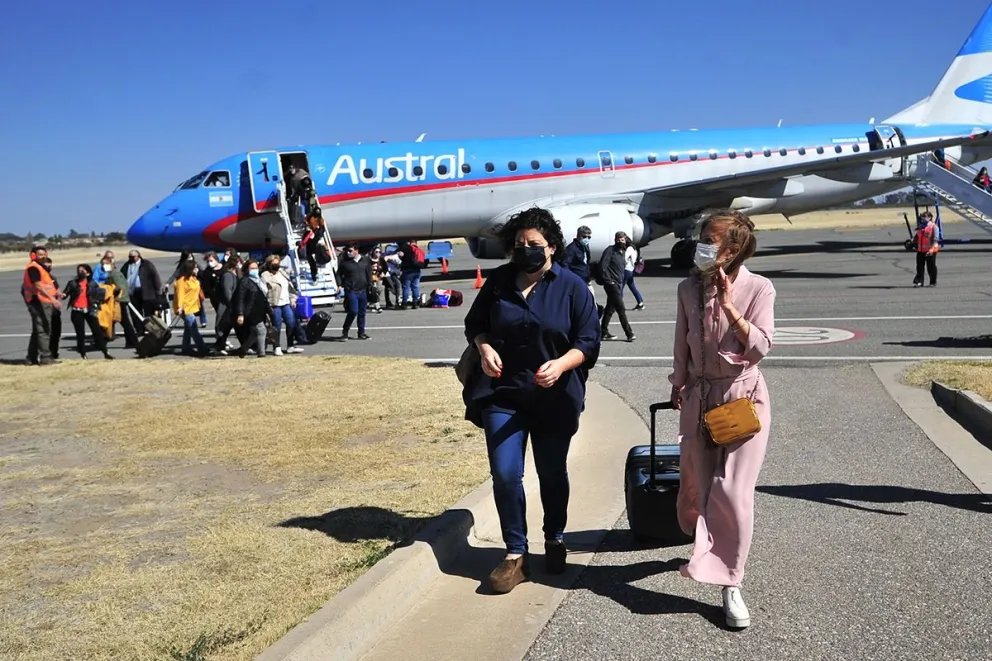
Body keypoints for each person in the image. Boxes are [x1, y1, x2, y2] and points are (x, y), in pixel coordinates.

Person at [462, 206, 601, 595]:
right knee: (506, 473)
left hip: (554, 396)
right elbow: (476, 324)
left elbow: (588, 341)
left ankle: (554, 537)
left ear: (552, 246)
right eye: (520, 244)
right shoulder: (498, 281)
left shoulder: (572, 286)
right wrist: (484, 348)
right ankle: (515, 554)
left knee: (552, 473)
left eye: (534, 243)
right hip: (503, 394)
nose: (526, 250)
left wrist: (561, 364)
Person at [668, 209, 775, 630]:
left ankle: (732, 581)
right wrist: (678, 384)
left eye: (709, 240)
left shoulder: (759, 288)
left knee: (732, 490)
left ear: (731, 250)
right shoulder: (687, 289)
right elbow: (682, 343)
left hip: (742, 400)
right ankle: (706, 547)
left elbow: (761, 347)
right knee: (698, 485)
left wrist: (730, 307)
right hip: (699, 397)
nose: (701, 246)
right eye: (701, 238)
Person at [62, 264, 114, 360]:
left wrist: (98, 301)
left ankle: (105, 352)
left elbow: (99, 295)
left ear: (88, 273)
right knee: (80, 334)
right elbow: (65, 293)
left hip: (89, 310)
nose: (80, 273)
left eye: (82, 271)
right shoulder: (72, 283)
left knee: (97, 332)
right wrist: (62, 295)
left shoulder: (92, 283)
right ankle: (83, 354)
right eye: (79, 271)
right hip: (77, 311)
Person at [598, 232, 635, 342]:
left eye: (623, 239)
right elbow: (603, 267)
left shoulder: (622, 252)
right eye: (619, 239)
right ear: (615, 240)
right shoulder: (610, 251)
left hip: (619, 284)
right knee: (621, 308)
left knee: (610, 309)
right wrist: (609, 281)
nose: (621, 242)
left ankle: (603, 332)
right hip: (611, 285)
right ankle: (629, 333)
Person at [337, 243, 372, 340]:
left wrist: (370, 284)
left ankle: (361, 333)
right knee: (353, 311)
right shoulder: (345, 263)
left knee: (362, 312)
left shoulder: (365, 260)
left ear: (356, 251)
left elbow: (368, 273)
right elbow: (338, 274)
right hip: (351, 290)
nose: (348, 253)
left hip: (363, 290)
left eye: (350, 251)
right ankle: (345, 331)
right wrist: (339, 285)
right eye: (347, 251)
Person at [913, 211, 939, 288]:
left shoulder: (934, 227)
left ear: (929, 217)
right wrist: (913, 240)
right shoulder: (921, 227)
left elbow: (936, 239)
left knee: (931, 266)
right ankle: (919, 281)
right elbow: (917, 236)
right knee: (919, 266)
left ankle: (933, 282)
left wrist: (931, 249)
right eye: (922, 217)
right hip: (920, 250)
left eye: (925, 216)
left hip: (930, 250)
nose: (923, 218)